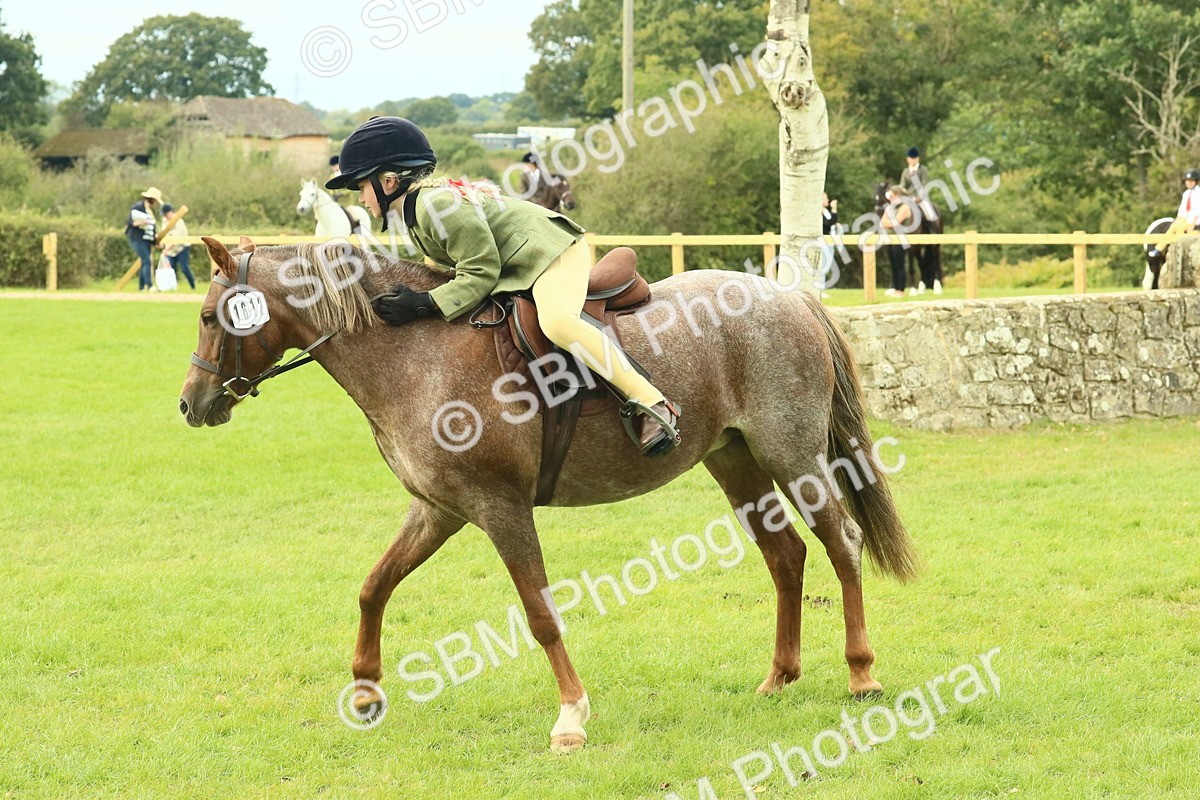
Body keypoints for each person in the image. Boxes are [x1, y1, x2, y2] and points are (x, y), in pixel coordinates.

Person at [325, 116, 681, 457]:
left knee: (557, 322)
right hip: (518, 264)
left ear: (388, 183)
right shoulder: (416, 210)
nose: (359, 197)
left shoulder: (436, 205)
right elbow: (447, 265)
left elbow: (480, 271)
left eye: (360, 186)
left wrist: (426, 303)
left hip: (550, 251)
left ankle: (653, 402)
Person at [125, 187, 163, 291]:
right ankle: (149, 286)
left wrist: (155, 241)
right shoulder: (137, 207)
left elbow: (152, 228)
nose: (155, 202)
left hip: (146, 240)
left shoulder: (149, 211)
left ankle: (141, 287)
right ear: (150, 198)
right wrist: (139, 223)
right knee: (147, 260)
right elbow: (129, 222)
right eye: (154, 200)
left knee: (144, 261)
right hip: (137, 238)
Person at [880, 186, 913, 298]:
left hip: (901, 240)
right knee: (893, 265)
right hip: (890, 239)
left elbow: (895, 223)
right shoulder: (890, 208)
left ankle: (901, 290)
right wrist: (888, 222)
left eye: (892, 195)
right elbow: (883, 222)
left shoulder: (904, 207)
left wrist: (889, 222)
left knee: (900, 265)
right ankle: (895, 288)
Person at [159, 204, 195, 290]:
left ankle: (192, 286)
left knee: (184, 268)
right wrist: (161, 242)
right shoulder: (164, 221)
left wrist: (166, 250)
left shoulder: (179, 222)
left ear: (170, 213)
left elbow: (176, 240)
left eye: (166, 214)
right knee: (172, 270)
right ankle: (173, 288)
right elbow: (164, 233)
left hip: (182, 248)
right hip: (171, 251)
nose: (165, 217)